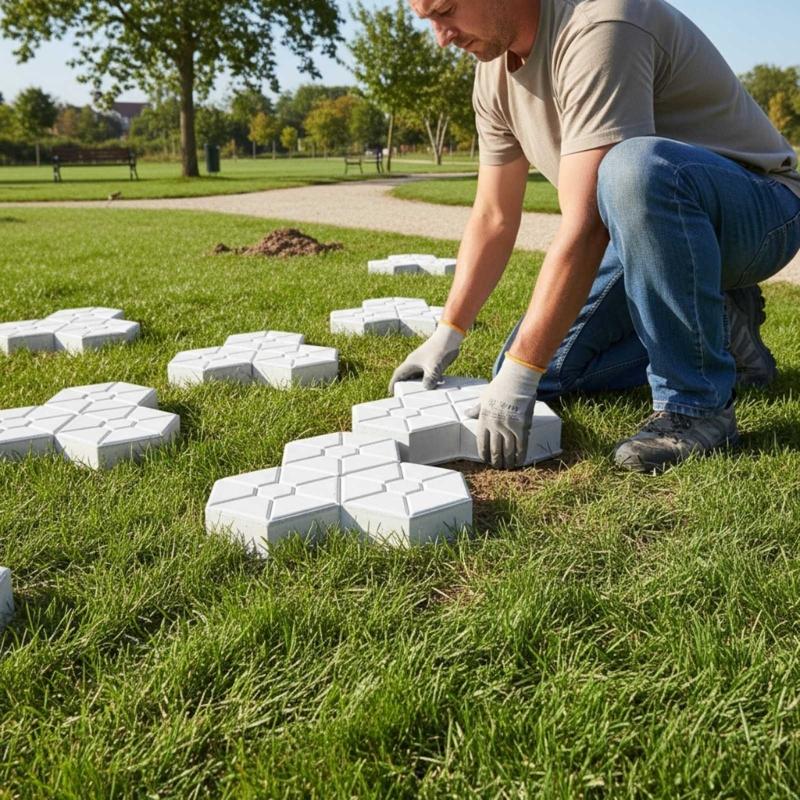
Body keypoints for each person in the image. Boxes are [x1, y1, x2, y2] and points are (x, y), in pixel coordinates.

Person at [391, 0, 800, 472]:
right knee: (540, 371)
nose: (442, 37)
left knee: (632, 167)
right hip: (650, 233)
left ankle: (696, 404)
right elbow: (494, 216)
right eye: (429, 20)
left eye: (445, 11)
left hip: (758, 211)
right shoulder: (492, 74)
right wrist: (449, 332)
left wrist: (523, 368)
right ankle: (722, 331)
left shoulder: (601, 24)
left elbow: (587, 225)